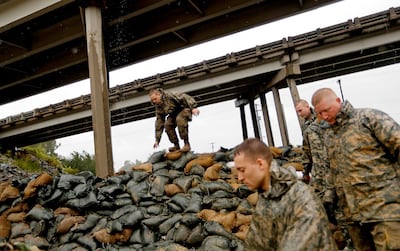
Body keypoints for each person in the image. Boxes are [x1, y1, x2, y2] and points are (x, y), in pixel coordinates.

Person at [311, 87, 400, 251]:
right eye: (320, 114)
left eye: (327, 110)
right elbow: (333, 170)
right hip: (354, 217)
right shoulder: (329, 135)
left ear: (338, 101)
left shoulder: (369, 118)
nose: (324, 116)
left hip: (384, 210)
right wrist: (329, 199)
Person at [233, 138, 337, 251]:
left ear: (260, 164)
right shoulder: (267, 197)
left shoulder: (301, 199)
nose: (240, 178)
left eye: (242, 170)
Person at [149, 88, 200, 152]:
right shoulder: (158, 107)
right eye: (152, 100)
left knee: (180, 120)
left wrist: (193, 108)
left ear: (159, 95)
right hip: (174, 114)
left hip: (183, 109)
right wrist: (157, 140)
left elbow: (185, 97)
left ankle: (186, 144)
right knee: (167, 125)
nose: (154, 101)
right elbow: (159, 123)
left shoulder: (170, 95)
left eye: (155, 99)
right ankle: (176, 146)